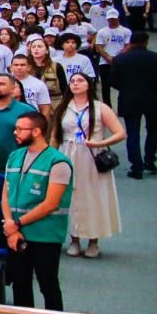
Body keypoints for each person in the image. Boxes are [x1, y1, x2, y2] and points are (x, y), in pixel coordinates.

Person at [1, 110, 72, 314]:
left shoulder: (58, 162)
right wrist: (11, 225)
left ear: (37, 131)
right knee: (20, 284)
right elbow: (6, 193)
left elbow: (51, 203)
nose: (15, 132)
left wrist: (17, 222)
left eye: (20, 129)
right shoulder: (14, 156)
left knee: (48, 285)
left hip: (44, 235)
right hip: (16, 233)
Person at [50, 73, 123, 259]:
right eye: (73, 81)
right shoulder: (64, 108)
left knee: (93, 196)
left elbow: (120, 133)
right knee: (71, 196)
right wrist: (51, 159)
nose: (75, 84)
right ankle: (74, 239)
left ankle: (93, 241)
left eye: (80, 81)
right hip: (68, 153)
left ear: (89, 85)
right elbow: (55, 137)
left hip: (92, 156)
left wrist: (98, 144)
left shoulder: (100, 108)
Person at [108, 30, 157, 178]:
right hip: (152, 99)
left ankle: (137, 166)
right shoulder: (154, 57)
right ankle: (149, 158)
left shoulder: (121, 59)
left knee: (133, 133)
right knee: (153, 131)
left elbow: (112, 80)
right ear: (146, 41)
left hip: (129, 99)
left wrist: (126, 88)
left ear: (131, 41)